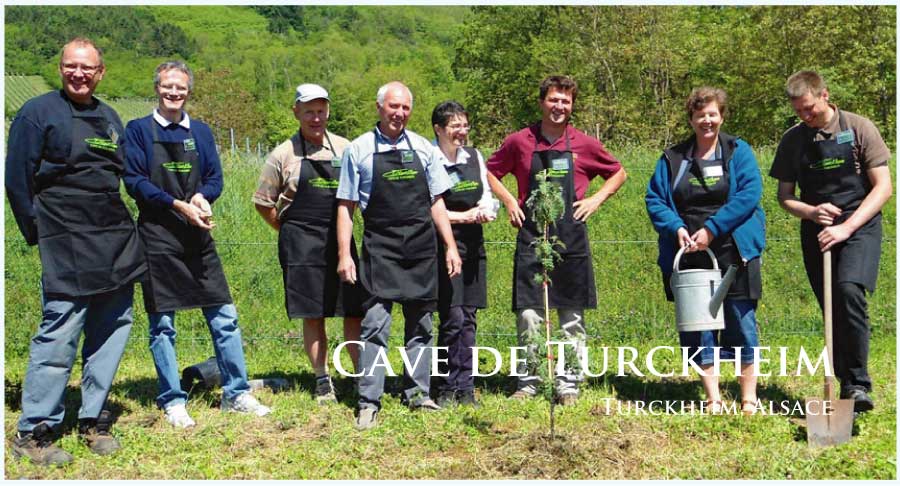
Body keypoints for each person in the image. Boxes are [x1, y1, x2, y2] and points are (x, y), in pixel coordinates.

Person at [5, 37, 147, 465]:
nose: (79, 74)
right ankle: (35, 430)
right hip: (65, 238)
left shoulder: (109, 117)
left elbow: (125, 175)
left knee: (112, 329)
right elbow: (17, 181)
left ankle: (93, 418)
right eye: (71, 66)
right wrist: (42, 235)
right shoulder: (37, 113)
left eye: (87, 67)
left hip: (114, 240)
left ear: (100, 72)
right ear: (61, 69)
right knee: (60, 333)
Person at [123, 61, 271, 428]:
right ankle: (172, 399)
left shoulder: (201, 132)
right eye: (168, 86)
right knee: (162, 326)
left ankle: (236, 392)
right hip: (157, 238)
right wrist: (176, 205)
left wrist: (204, 198)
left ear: (189, 91)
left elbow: (215, 178)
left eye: (181, 88)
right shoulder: (138, 130)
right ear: (157, 88)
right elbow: (135, 181)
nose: (175, 93)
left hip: (198, 237)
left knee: (225, 318)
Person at [486, 75, 627, 405]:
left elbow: (619, 173)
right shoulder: (520, 141)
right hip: (532, 236)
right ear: (541, 102)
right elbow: (489, 170)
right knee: (529, 314)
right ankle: (529, 382)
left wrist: (596, 199)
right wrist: (509, 201)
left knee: (571, 316)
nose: (559, 106)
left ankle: (568, 384)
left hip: (571, 238)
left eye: (565, 101)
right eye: (553, 100)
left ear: (572, 106)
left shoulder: (584, 143)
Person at [336, 81, 462, 430]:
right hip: (380, 250)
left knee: (421, 327)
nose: (399, 113)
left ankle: (418, 394)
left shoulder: (424, 149)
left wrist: (450, 246)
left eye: (405, 107)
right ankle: (368, 401)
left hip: (421, 250)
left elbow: (437, 201)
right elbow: (346, 207)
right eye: (393, 106)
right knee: (375, 327)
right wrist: (344, 255)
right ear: (379, 108)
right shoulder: (358, 150)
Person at [769, 71, 892, 413]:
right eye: (798, 112)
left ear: (824, 95)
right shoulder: (793, 140)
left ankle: (858, 384)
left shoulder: (858, 128)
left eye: (809, 109)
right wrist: (809, 211)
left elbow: (883, 187)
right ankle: (846, 386)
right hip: (817, 228)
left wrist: (847, 227)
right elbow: (784, 196)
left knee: (850, 289)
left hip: (859, 223)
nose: (805, 117)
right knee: (832, 307)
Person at [645, 87, 766, 415]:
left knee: (742, 322)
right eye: (700, 115)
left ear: (722, 116)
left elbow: (749, 194)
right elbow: (655, 199)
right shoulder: (673, 158)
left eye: (713, 114)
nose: (707, 121)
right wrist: (677, 229)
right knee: (699, 327)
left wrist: (712, 229)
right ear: (691, 119)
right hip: (690, 253)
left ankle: (748, 398)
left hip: (734, 250)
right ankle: (713, 398)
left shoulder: (738, 151)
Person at [253, 83, 362, 404]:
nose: (316, 118)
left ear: (328, 111)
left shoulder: (345, 148)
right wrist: (287, 231)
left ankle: (357, 376)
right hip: (300, 245)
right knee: (312, 314)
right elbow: (263, 202)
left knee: (353, 311)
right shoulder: (282, 154)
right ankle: (322, 378)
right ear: (296, 112)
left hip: (341, 242)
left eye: (321, 111)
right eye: (309, 111)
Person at [429, 101, 496, 408]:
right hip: (442, 246)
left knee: (468, 317)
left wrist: (485, 211)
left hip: (474, 245)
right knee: (451, 317)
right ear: (438, 129)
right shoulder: (428, 158)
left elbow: (486, 195)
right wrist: (464, 217)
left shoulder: (475, 156)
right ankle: (443, 386)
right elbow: (430, 208)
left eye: (465, 126)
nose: (462, 132)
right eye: (455, 126)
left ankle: (466, 386)